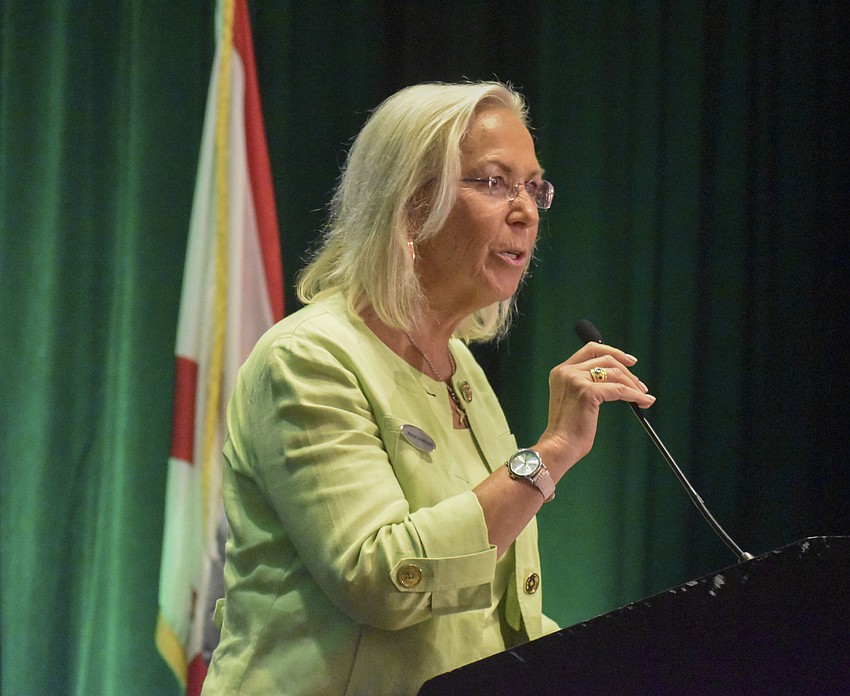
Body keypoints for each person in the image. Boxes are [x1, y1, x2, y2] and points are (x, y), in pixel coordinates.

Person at [201, 81, 655, 695]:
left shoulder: (460, 369)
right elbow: (384, 579)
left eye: (533, 187)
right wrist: (548, 455)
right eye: (494, 182)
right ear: (412, 204)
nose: (525, 211)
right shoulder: (307, 359)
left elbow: (496, 616)